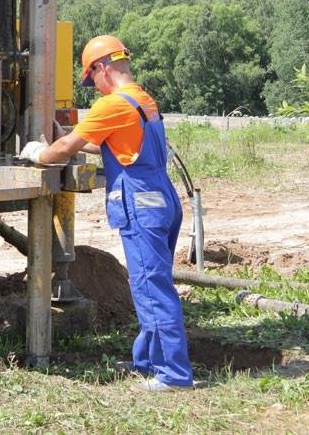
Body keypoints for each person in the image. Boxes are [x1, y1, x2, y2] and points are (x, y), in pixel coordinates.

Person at [20, 35, 193, 392]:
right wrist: (70, 137)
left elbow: (65, 149)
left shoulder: (111, 104)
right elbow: (121, 146)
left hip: (141, 205)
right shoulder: (142, 99)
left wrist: (40, 153)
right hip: (162, 199)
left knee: (151, 287)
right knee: (150, 283)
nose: (92, 87)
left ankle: (174, 375)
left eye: (91, 79)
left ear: (102, 68)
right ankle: (147, 362)